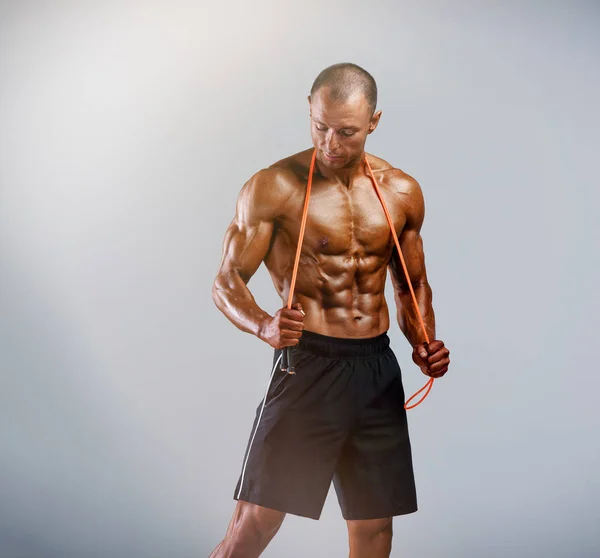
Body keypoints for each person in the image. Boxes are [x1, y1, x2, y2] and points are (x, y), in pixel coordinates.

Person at [210, 63, 451, 558]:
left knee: (375, 529)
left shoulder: (400, 191)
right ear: (310, 111)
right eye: (321, 127)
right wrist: (263, 323)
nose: (331, 144)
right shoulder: (274, 187)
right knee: (256, 522)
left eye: (347, 132)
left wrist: (423, 341)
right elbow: (227, 281)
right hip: (308, 364)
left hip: (376, 370)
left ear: (374, 122)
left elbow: (412, 285)